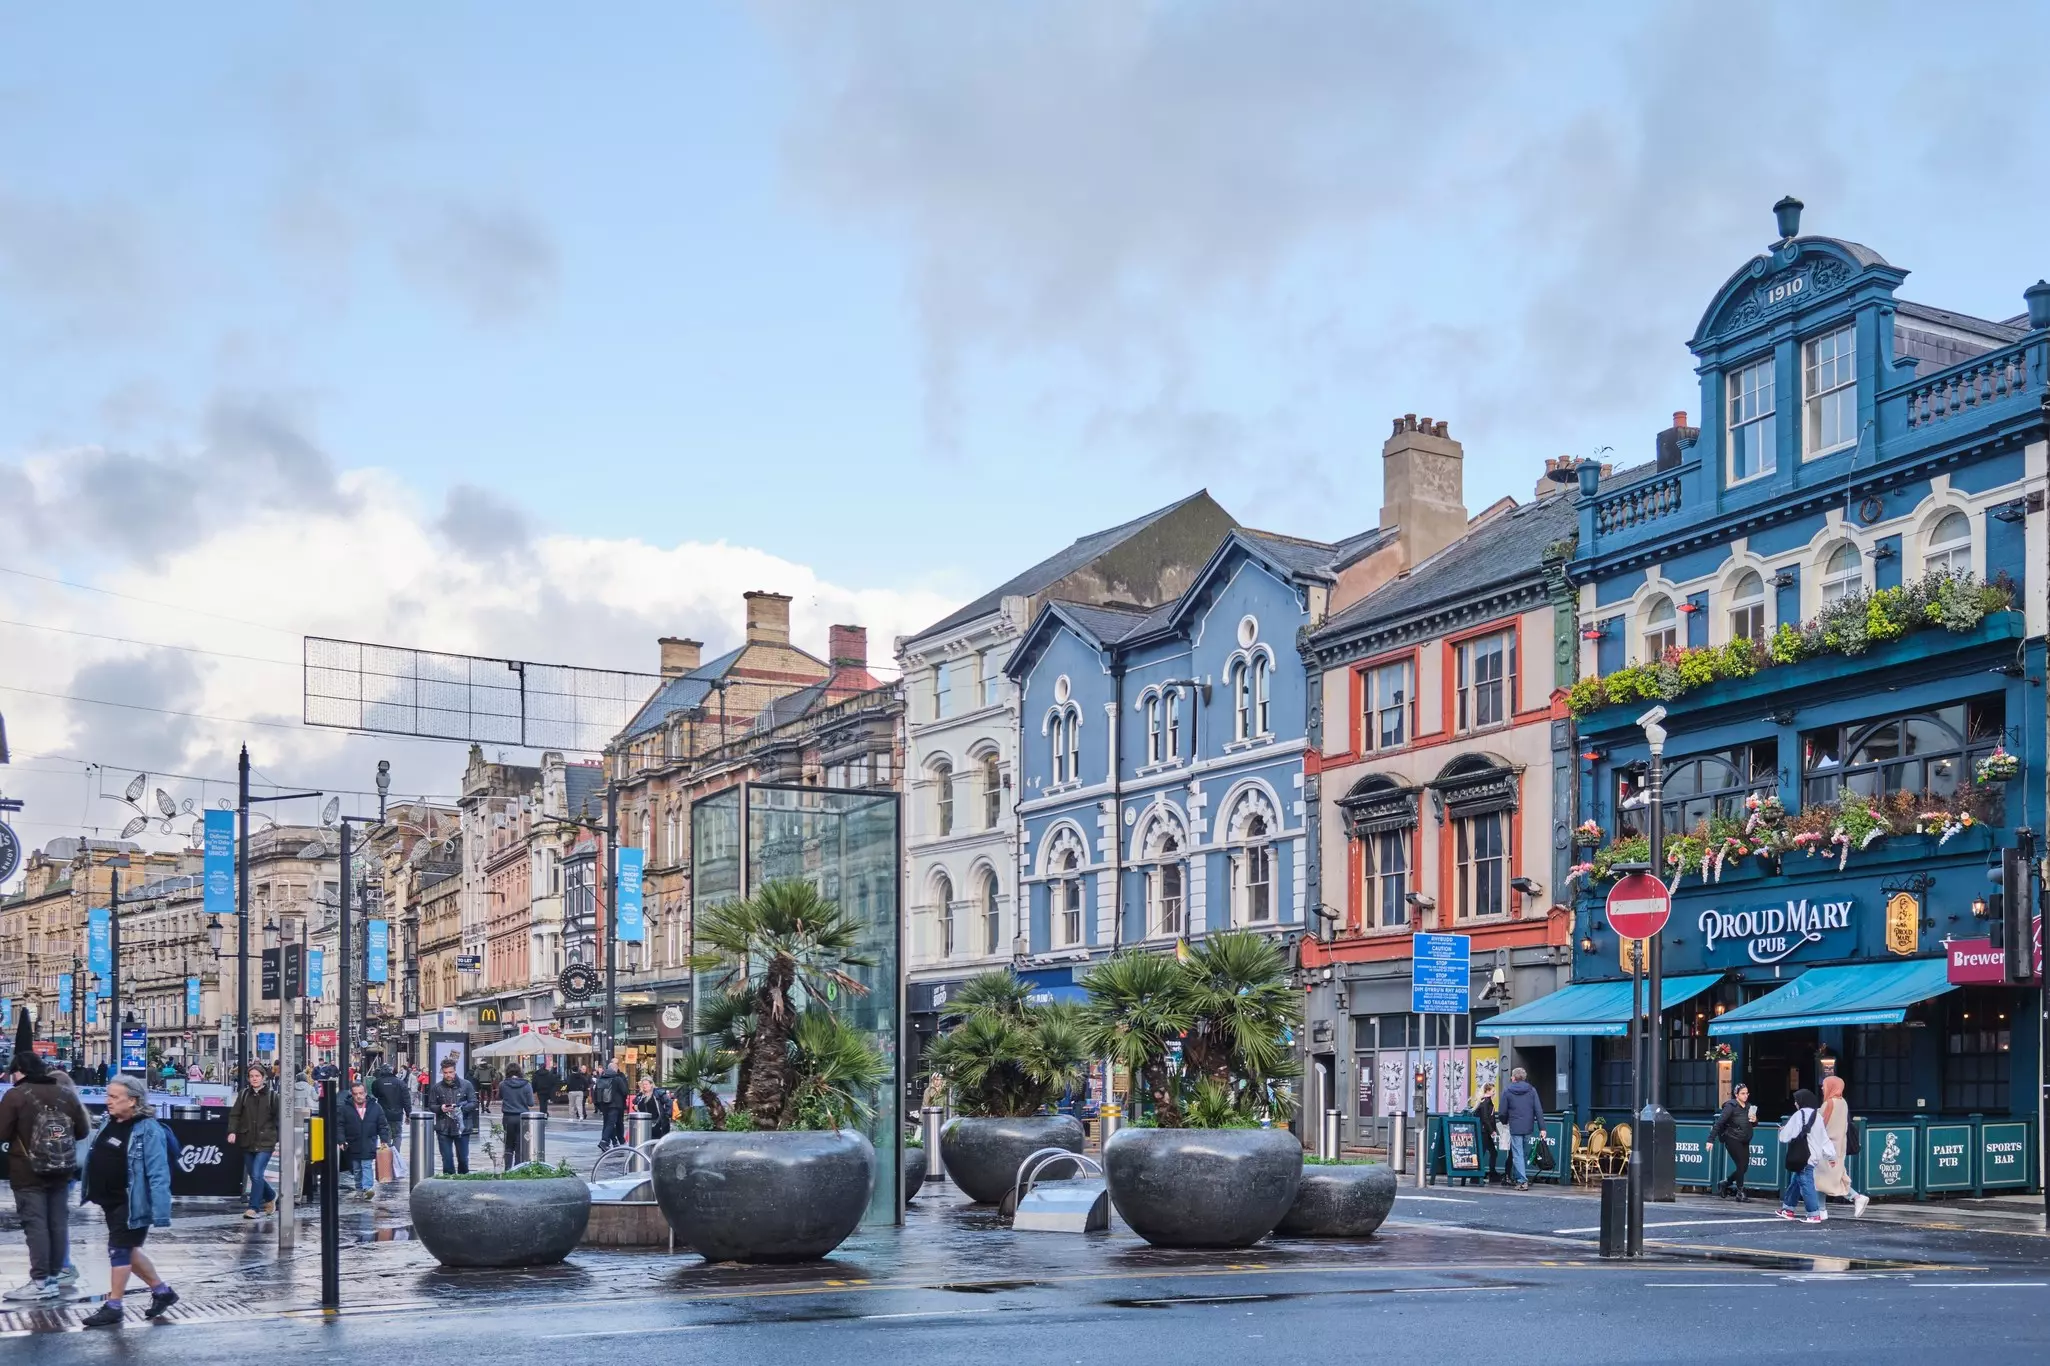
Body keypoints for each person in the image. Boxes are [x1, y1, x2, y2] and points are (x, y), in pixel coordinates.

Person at [79, 1077, 178, 1328]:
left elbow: (158, 1171)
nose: (107, 1101)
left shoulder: (148, 1128)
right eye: (108, 1096)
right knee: (129, 1250)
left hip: (131, 1201)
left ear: (132, 1100)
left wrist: (161, 1211)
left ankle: (114, 1305)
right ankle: (162, 1291)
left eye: (114, 1097)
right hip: (109, 1200)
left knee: (119, 1250)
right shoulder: (110, 1122)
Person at [0, 1044, 91, 1302]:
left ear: (19, 1072)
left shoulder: (15, 1096)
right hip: (62, 1169)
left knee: (35, 1224)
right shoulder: (66, 1094)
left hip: (28, 1172)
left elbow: (2, 1133)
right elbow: (82, 1131)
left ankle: (40, 1281)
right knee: (57, 1223)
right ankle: (52, 1277)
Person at [225, 1064, 280, 1221]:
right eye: (251, 1076)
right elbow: (235, 1115)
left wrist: (277, 1137)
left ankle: (253, 1207)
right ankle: (270, 1195)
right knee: (254, 1174)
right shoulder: (243, 1095)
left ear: (263, 1077)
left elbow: (279, 1119)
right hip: (247, 1139)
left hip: (266, 1141)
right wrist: (232, 1132)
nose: (254, 1079)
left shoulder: (272, 1096)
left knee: (256, 1173)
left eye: (257, 1076)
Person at [1777, 1087, 1837, 1223]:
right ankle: (1788, 1209)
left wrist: (1783, 1130)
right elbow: (1824, 1138)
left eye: (1796, 1100)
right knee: (1796, 1181)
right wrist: (1831, 1156)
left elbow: (1785, 1137)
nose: (1795, 1103)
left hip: (1803, 1156)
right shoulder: (1818, 1116)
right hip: (1814, 1155)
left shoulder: (1799, 1115)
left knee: (1806, 1183)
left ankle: (1814, 1213)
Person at [1815, 1076, 1869, 1218]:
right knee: (1833, 1178)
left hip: (1826, 1147)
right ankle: (1823, 1209)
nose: (1822, 1087)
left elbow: (1820, 1125)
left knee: (1820, 1179)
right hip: (1839, 1147)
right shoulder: (1843, 1102)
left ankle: (1854, 1198)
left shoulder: (1828, 1104)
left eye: (1824, 1085)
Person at [425, 1058, 479, 1175]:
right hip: (444, 1128)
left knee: (463, 1159)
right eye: (445, 1073)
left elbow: (474, 1102)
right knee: (447, 1160)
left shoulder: (466, 1085)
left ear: (455, 1071)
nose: (448, 1075)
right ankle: (448, 1184)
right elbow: (431, 1105)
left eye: (450, 1072)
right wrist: (441, 1108)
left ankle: (463, 1182)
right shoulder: (437, 1087)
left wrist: (460, 1109)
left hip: (462, 1128)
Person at [339, 1081, 391, 1195]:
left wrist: (384, 1140)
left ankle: (367, 1188)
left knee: (366, 1165)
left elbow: (382, 1125)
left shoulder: (375, 1107)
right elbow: (340, 1125)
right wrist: (341, 1140)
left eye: (361, 1093)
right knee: (356, 1168)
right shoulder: (345, 1108)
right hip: (353, 1143)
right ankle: (359, 1188)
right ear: (352, 1094)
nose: (358, 1096)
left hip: (369, 1141)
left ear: (365, 1093)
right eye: (356, 1094)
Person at [1500, 1067, 1544, 1190]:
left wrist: (1504, 1121)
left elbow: (1502, 1112)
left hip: (1515, 1125)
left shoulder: (1507, 1090)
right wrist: (1542, 1128)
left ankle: (1522, 1180)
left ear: (1514, 1077)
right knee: (1522, 1153)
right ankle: (1519, 1176)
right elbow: (1538, 1109)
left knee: (1517, 1153)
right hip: (1528, 1126)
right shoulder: (1532, 1090)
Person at [1711, 1083, 1756, 1201]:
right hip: (1732, 1138)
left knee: (1744, 1167)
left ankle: (1726, 1183)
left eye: (1747, 1093)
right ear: (1736, 1095)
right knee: (1741, 1165)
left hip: (1745, 1139)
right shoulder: (1730, 1106)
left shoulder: (1749, 1106)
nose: (1745, 1096)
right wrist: (1710, 1139)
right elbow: (1719, 1122)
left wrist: (1755, 1120)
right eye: (1743, 1093)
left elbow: (1753, 1124)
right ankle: (1740, 1192)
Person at [498, 1065, 536, 1168]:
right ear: (520, 1072)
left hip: (508, 1117)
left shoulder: (503, 1084)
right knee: (520, 1145)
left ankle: (507, 1168)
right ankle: (517, 1168)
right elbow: (531, 1103)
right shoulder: (526, 1084)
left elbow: (500, 1096)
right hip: (522, 1118)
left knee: (508, 1144)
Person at [593, 1059, 628, 1149]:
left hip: (603, 1104)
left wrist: (597, 1104)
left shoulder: (600, 1078)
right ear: (615, 1069)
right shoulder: (617, 1078)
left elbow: (595, 1092)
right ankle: (604, 1141)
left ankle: (610, 1142)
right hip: (615, 1105)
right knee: (611, 1123)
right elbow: (625, 1091)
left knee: (607, 1123)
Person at [371, 1066, 410, 1142]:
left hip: (383, 1113)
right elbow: (406, 1100)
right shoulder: (400, 1083)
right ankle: (396, 1153)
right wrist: (408, 1114)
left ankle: (387, 1152)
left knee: (385, 1135)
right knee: (397, 1135)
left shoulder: (377, 1082)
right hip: (397, 1114)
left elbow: (375, 1094)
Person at [1471, 1083, 1500, 1184]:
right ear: (1487, 1090)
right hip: (1484, 1132)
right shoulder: (1486, 1102)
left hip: (1485, 1131)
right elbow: (1486, 1118)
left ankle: (1490, 1174)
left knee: (1491, 1152)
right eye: (1492, 1090)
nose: (1494, 1091)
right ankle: (1477, 1176)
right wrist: (1492, 1130)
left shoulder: (1486, 1101)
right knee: (1485, 1153)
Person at [633, 1074, 673, 1141]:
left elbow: (669, 1102)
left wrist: (667, 1115)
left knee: (659, 1142)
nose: (644, 1086)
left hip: (659, 1123)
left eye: (646, 1084)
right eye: (643, 1084)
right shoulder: (641, 1096)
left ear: (651, 1084)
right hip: (646, 1123)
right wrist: (635, 1107)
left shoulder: (658, 1093)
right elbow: (636, 1105)